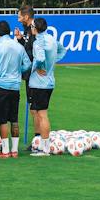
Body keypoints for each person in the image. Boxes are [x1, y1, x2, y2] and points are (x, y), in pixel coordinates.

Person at [0, 18, 30, 158]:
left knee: (2, 119)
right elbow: (27, 64)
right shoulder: (19, 46)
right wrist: (18, 72)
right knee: (14, 118)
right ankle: (14, 151)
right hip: (15, 86)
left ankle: (5, 151)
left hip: (1, 85)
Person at [27, 15, 61, 151]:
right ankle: (42, 144)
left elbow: (39, 58)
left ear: (36, 28)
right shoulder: (52, 38)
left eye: (32, 26)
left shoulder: (38, 42)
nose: (31, 28)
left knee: (42, 114)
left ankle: (45, 148)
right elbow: (62, 50)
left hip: (39, 83)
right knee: (37, 111)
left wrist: (36, 67)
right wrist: (51, 64)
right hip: (49, 81)